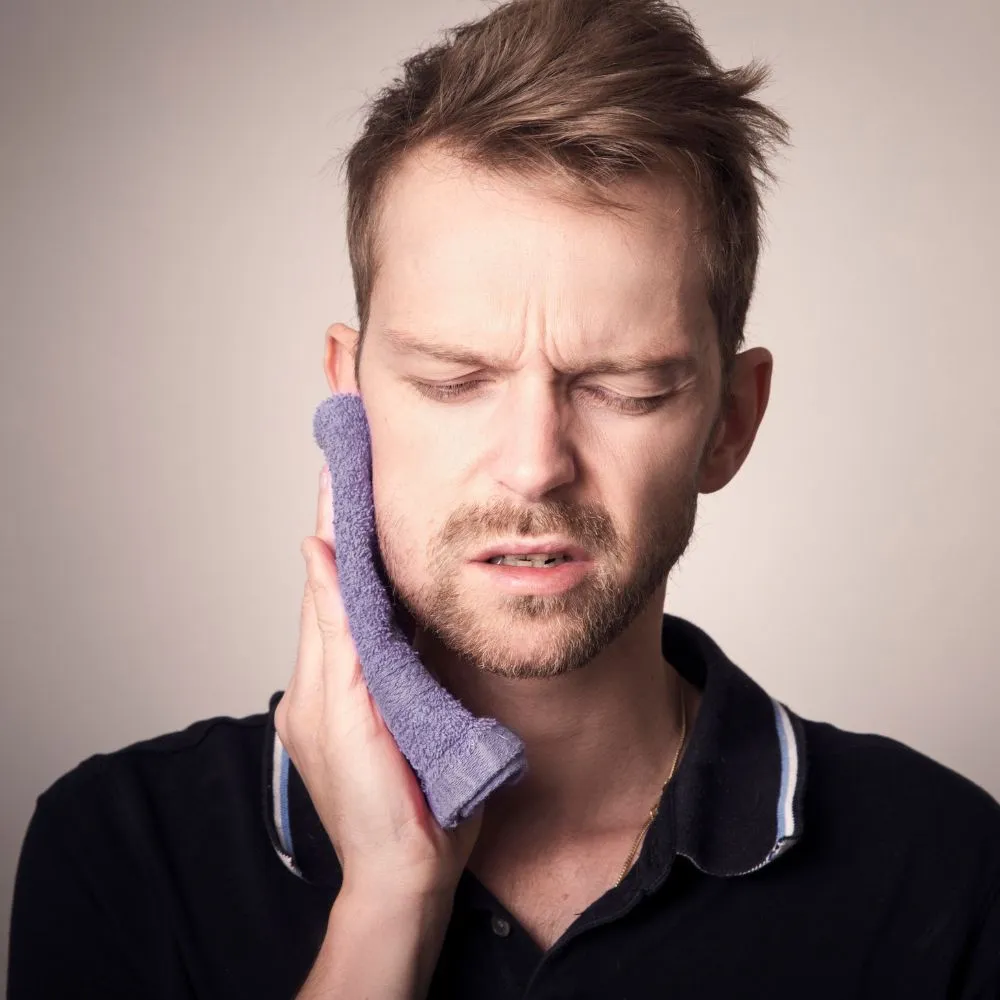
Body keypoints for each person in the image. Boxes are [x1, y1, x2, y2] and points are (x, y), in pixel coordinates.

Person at [8, 0, 1000, 996]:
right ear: (348, 397)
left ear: (730, 421)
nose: (533, 466)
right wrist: (388, 901)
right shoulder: (123, 851)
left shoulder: (948, 868)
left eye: (625, 388)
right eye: (452, 381)